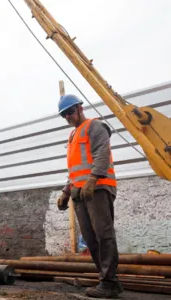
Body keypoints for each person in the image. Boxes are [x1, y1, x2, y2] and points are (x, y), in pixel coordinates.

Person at [56, 94, 123, 298]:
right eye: (64, 114)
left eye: (70, 112)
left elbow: (102, 153)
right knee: (91, 238)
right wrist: (66, 191)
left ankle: (109, 282)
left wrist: (93, 179)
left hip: (99, 188)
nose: (67, 116)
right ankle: (107, 280)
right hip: (79, 192)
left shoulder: (95, 127)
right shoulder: (72, 135)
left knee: (104, 234)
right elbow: (75, 170)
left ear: (79, 108)